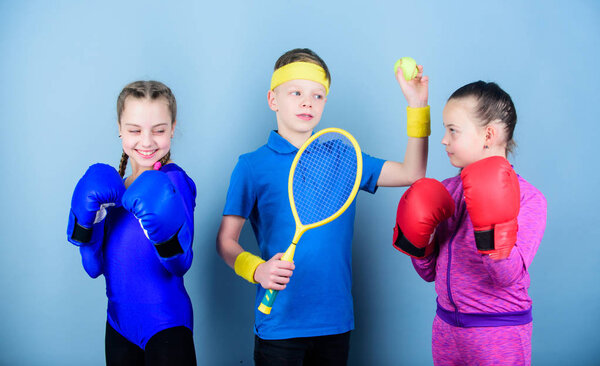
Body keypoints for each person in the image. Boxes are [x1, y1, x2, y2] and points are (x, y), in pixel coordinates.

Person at [216, 48, 430, 365]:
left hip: (334, 323)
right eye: (296, 92)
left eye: (318, 95)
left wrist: (417, 106)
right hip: (279, 326)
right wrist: (257, 269)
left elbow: (412, 172)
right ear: (273, 99)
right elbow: (225, 242)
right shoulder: (251, 166)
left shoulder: (346, 156)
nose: (307, 102)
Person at [394, 81, 547, 365]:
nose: (443, 139)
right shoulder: (446, 191)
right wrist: (420, 241)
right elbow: (428, 273)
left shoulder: (529, 199)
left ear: (488, 134)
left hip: (499, 330)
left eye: (453, 130)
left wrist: (492, 222)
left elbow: (505, 276)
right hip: (446, 328)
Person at [67, 81, 197, 365]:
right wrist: (90, 223)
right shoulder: (110, 191)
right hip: (117, 325)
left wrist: (163, 227)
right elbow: (93, 268)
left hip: (166, 325)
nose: (147, 141)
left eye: (159, 130)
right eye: (135, 130)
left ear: (173, 128)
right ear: (119, 128)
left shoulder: (174, 182)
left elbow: (179, 264)